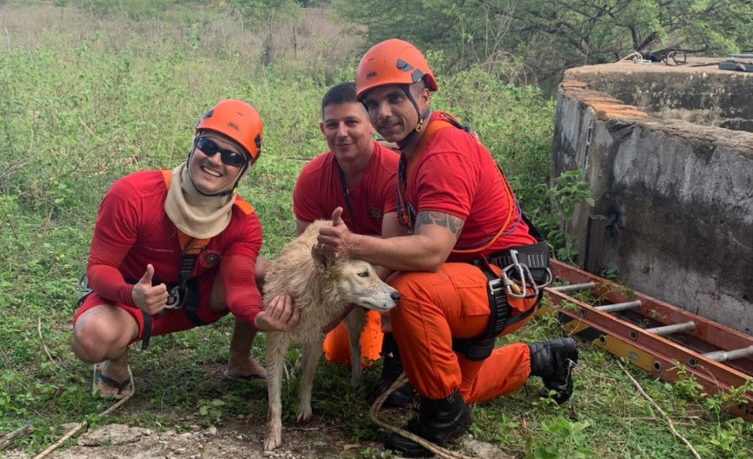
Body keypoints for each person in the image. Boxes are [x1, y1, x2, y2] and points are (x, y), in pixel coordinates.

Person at [317, 39, 578, 456]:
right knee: (464, 387)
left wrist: (350, 242)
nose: (383, 113)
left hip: (504, 282)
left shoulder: (444, 151)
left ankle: (442, 415)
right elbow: (390, 252)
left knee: (410, 292)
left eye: (395, 98)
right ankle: (543, 359)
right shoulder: (409, 154)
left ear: (424, 94)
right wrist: (321, 316)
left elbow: (430, 251)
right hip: (475, 281)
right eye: (373, 103)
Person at [72, 99, 301, 399]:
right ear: (194, 143)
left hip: (193, 299)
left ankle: (239, 361)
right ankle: (115, 363)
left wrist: (259, 317)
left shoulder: (242, 221)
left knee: (265, 272)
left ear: (245, 169)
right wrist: (133, 294)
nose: (216, 160)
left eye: (232, 156)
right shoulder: (133, 194)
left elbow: (239, 284)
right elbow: (99, 267)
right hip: (130, 300)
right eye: (208, 145)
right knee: (91, 337)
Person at [290, 82, 412, 406]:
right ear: (323, 129)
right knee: (342, 355)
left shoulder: (394, 173)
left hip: (382, 277)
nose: (341, 133)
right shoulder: (312, 177)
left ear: (370, 123)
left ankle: (399, 353)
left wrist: (343, 306)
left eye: (351, 122)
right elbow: (308, 253)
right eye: (333, 125)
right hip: (344, 281)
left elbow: (391, 254)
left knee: (408, 285)